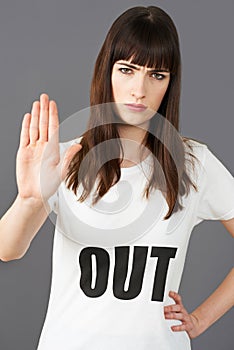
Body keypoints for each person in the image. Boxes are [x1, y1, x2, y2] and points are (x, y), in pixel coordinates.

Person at [0, 5, 233, 350]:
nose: (139, 89)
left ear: (171, 83)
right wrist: (30, 199)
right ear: (106, 73)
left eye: (157, 75)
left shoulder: (193, 163)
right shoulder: (65, 159)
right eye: (127, 69)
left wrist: (201, 319)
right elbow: (8, 250)